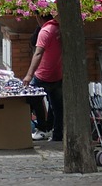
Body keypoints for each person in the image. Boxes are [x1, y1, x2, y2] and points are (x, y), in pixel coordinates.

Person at [23, 7, 63, 141]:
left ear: (39, 17)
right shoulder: (58, 28)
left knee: (31, 100)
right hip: (57, 74)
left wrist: (29, 75)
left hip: (43, 75)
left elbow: (38, 53)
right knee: (57, 107)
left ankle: (41, 129)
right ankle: (57, 134)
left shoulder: (45, 31)